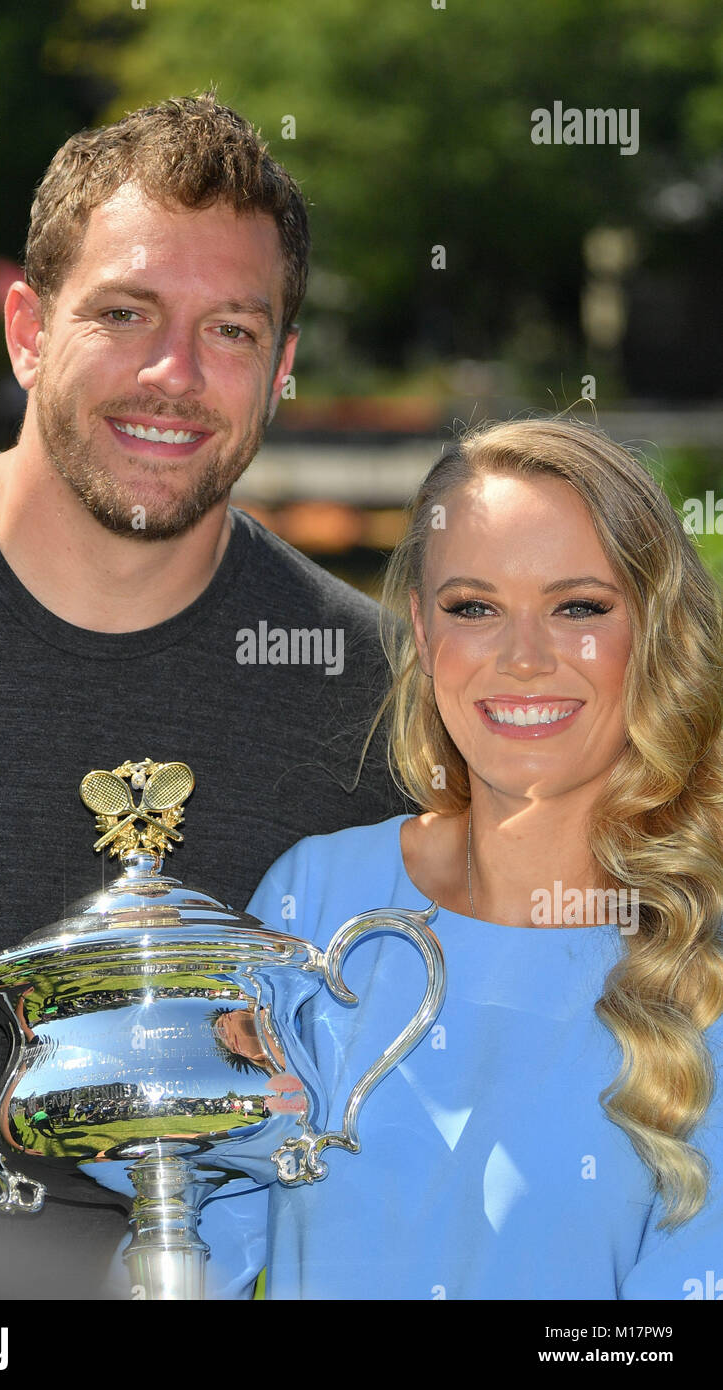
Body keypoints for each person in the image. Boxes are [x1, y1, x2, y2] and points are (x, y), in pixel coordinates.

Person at [0, 92, 407, 1300]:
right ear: (27, 329)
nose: (175, 375)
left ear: (283, 369)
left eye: (231, 330)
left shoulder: (369, 694)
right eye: (125, 313)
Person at [192, 415, 723, 1300]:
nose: (524, 658)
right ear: (422, 632)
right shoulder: (316, 894)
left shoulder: (701, 951)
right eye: (474, 608)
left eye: (578, 607)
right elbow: (196, 1239)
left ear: (656, 631)